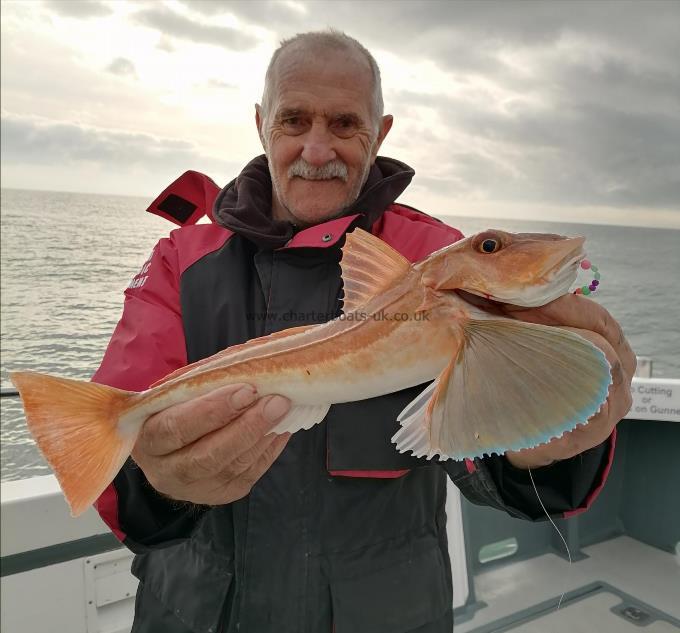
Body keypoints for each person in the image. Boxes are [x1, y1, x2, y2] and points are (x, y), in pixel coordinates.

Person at [92, 30, 635, 633]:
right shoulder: (182, 261)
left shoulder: (437, 259)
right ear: (260, 124)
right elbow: (111, 470)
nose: (317, 149)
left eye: (346, 124)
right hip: (195, 613)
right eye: (294, 120)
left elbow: (482, 463)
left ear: (381, 132)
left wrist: (547, 447)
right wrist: (159, 482)